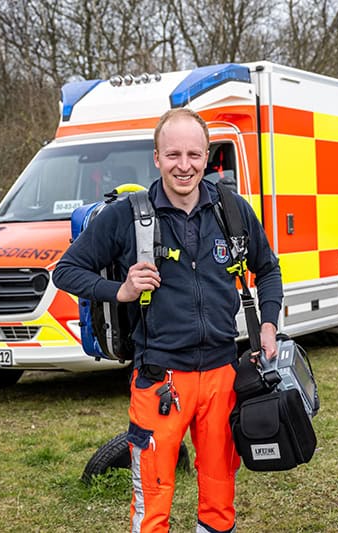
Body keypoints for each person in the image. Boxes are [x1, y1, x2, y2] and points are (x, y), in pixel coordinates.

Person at [54, 107, 283, 533]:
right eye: (173, 154)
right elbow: (66, 270)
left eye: (194, 155)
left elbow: (267, 269)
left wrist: (268, 324)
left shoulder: (231, 210)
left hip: (221, 374)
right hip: (160, 379)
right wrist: (120, 290)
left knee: (219, 495)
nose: (184, 165)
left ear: (208, 157)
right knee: (153, 501)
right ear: (156, 158)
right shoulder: (127, 215)